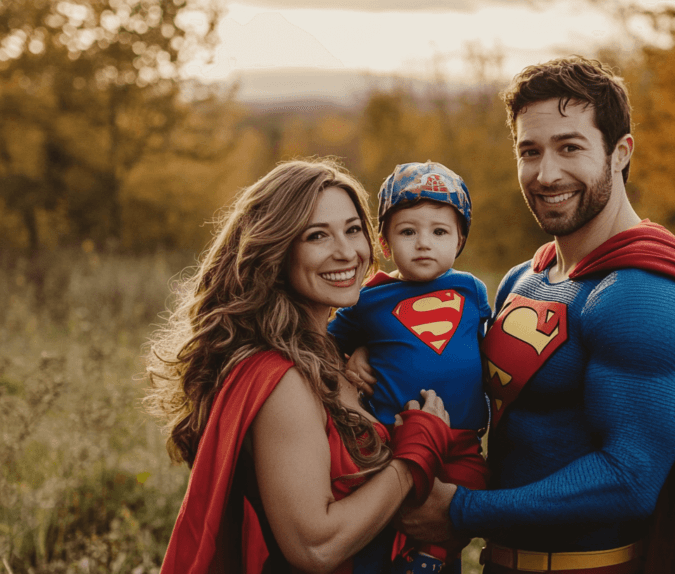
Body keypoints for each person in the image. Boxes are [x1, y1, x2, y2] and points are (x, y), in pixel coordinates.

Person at [400, 57, 675, 573]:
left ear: (620, 153)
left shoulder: (643, 295)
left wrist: (462, 510)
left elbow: (630, 479)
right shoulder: (525, 278)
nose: (546, 174)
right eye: (530, 151)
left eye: (570, 147)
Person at [143, 159, 456, 574]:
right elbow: (315, 547)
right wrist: (412, 459)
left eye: (352, 229)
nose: (346, 252)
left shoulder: (328, 353)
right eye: (316, 236)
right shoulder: (282, 379)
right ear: (276, 251)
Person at [327, 162, 492, 574]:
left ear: (460, 240)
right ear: (383, 242)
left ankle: (431, 560)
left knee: (461, 500)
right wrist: (354, 353)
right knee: (390, 514)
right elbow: (324, 342)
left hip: (462, 438)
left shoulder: (472, 290)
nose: (423, 244)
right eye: (407, 232)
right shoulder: (369, 299)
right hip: (393, 439)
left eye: (439, 232)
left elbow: (492, 349)